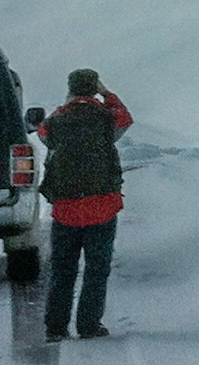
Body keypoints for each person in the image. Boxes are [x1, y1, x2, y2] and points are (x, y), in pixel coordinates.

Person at [36, 67, 131, 341]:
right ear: (94, 87)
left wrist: (65, 105)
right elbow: (126, 119)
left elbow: (43, 133)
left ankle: (56, 327)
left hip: (66, 209)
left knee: (63, 270)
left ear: (71, 89)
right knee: (96, 269)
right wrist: (107, 94)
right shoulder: (106, 118)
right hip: (102, 206)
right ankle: (89, 326)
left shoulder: (58, 120)